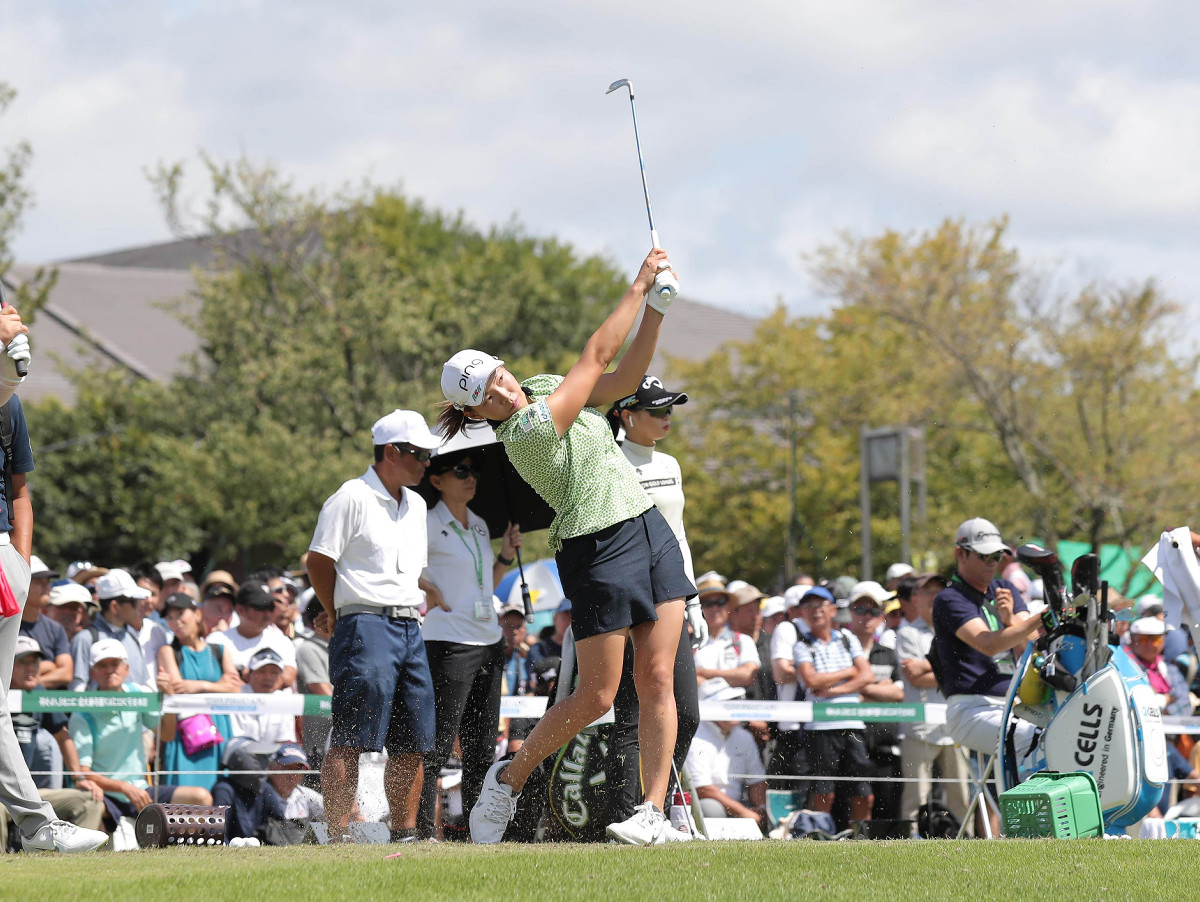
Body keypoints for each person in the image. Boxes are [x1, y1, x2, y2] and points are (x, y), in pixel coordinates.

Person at [436, 246, 692, 845]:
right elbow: (598, 352)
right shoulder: (524, 431)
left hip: (648, 527)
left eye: (497, 375)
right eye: (485, 392)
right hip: (594, 546)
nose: (500, 389)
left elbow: (621, 380)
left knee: (658, 677)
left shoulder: (541, 387)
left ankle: (653, 812)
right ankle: (511, 774)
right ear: (476, 409)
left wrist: (656, 309)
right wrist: (638, 283)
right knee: (598, 695)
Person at [307, 408, 443, 843]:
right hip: (364, 624)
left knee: (413, 740)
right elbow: (319, 560)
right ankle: (339, 834)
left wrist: (426, 589)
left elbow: (396, 571)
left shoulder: (418, 504)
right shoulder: (351, 496)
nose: (427, 463)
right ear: (391, 452)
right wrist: (335, 611)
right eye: (419, 454)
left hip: (409, 627)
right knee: (350, 735)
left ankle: (404, 833)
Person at [604, 376, 704, 825]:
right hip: (626, 598)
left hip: (672, 594)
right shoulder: (608, 462)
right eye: (656, 410)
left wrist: (694, 600)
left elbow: (678, 535)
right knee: (630, 712)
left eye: (670, 410)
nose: (667, 418)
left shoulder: (673, 464)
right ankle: (627, 814)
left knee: (685, 710)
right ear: (626, 414)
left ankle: (651, 808)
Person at [416, 450, 521, 840]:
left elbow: (486, 584)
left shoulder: (479, 525)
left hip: (489, 641)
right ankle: (425, 831)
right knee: (439, 744)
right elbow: (403, 568)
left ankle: (480, 834)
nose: (470, 477)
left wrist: (506, 555)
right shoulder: (424, 522)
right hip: (448, 641)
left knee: (481, 747)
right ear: (437, 480)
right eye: (460, 471)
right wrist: (428, 589)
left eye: (473, 472)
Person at [69, 639, 211, 826]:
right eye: (102, 665)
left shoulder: (137, 694)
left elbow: (167, 734)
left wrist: (168, 698)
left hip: (140, 790)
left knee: (202, 798)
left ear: (126, 669)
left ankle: (189, 855)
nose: (109, 670)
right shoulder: (83, 712)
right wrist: (124, 787)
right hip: (105, 794)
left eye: (115, 664)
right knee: (92, 810)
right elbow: (84, 772)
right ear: (92, 673)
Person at [931, 517, 1041, 759]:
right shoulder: (949, 598)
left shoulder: (1006, 588)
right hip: (972, 709)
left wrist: (1012, 619)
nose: (992, 563)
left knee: (1059, 733)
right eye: (984, 556)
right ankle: (1028, 797)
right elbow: (987, 644)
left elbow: (1033, 641)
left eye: (997, 556)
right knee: (1034, 739)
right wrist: (1045, 616)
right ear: (960, 553)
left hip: (1013, 704)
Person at [1, 636, 106, 852]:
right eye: (23, 662)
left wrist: (79, 777)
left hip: (38, 793)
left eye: (35, 662)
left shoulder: (40, 693)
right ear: (7, 662)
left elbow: (63, 735)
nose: (31, 668)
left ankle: (74, 866)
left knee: (90, 800)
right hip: (3, 795)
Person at [793, 587, 875, 823]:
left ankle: (862, 841)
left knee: (863, 792)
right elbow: (812, 680)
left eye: (820, 606)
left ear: (832, 610)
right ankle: (818, 837)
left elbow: (866, 675)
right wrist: (850, 672)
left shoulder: (848, 639)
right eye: (809, 607)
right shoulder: (802, 645)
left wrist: (831, 690)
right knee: (823, 791)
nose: (815, 611)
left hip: (852, 722)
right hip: (820, 727)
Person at [895, 573, 969, 832]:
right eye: (928, 592)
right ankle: (910, 844)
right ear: (915, 598)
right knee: (916, 796)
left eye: (940, 591)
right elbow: (914, 677)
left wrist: (931, 667)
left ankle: (966, 842)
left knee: (961, 795)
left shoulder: (958, 630)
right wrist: (950, 667)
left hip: (955, 726)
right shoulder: (907, 633)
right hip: (920, 727)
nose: (935, 598)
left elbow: (961, 672)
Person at [156, 593, 239, 790]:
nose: (175, 621)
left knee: (220, 797)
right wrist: (219, 686)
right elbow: (178, 689)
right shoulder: (167, 651)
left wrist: (199, 686)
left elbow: (235, 688)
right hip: (187, 735)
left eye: (180, 613)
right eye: (170, 617)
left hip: (219, 730)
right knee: (187, 802)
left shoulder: (219, 650)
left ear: (197, 614)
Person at [845, 582, 905, 821]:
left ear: (882, 616)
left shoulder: (888, 653)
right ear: (850, 612)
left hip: (884, 743)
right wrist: (880, 688)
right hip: (849, 742)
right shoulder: (839, 649)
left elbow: (898, 694)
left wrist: (859, 685)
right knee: (853, 812)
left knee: (887, 813)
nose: (866, 617)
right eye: (860, 609)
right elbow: (839, 692)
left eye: (874, 611)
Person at [684, 678, 767, 826]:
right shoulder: (695, 737)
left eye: (735, 700)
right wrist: (745, 813)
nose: (735, 706)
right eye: (728, 702)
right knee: (712, 808)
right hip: (708, 805)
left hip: (740, 805)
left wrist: (760, 808)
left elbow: (757, 780)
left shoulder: (744, 736)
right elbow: (703, 789)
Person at [69, 569, 153, 691]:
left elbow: (143, 684)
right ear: (114, 607)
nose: (139, 606)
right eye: (134, 602)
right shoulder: (85, 638)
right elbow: (77, 690)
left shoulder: (132, 636)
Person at [207, 581, 298, 687]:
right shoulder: (216, 640)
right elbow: (209, 676)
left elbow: (288, 678)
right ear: (241, 610)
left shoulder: (281, 641)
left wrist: (243, 677)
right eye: (261, 607)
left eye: (271, 607)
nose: (268, 613)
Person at [18, 556, 73, 689]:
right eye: (38, 581)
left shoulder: (55, 628)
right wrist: (49, 666)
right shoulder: (6, 625)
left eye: (47, 581)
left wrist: (31, 681)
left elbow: (66, 673)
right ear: (21, 584)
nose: (46, 586)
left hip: (47, 707)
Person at [228, 649, 297, 746]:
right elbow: (234, 741)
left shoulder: (284, 699)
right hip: (240, 751)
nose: (268, 677)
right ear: (248, 675)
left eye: (274, 673)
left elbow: (285, 741)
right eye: (261, 672)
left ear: (280, 677)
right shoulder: (236, 696)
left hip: (273, 754)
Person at [1127, 617, 1192, 716]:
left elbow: (1186, 702)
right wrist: (1166, 699)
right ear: (1132, 640)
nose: (1149, 645)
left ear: (1163, 640)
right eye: (1143, 640)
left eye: (1155, 640)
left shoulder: (1169, 669)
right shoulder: (1127, 668)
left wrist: (1165, 712)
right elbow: (1138, 704)